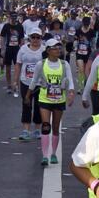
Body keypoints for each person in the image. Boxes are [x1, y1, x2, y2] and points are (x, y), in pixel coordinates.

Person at [30, 38, 75, 166]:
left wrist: (71, 93)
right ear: (48, 50)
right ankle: (45, 156)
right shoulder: (41, 64)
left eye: (59, 48)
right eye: (55, 48)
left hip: (59, 100)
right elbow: (34, 80)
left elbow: (70, 80)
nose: (58, 50)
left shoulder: (64, 64)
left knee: (55, 128)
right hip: (45, 99)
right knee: (46, 126)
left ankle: (53, 153)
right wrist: (28, 94)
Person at [15, 30, 47, 141]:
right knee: (26, 104)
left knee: (39, 106)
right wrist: (15, 81)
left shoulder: (44, 49)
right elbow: (18, 65)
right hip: (25, 81)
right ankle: (26, 130)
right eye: (33, 37)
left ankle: (37, 129)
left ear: (41, 38)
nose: (35, 40)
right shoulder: (23, 49)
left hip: (40, 83)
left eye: (38, 37)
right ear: (29, 38)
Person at [0, 15, 24, 93]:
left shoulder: (20, 26)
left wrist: (22, 49)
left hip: (17, 48)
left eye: (14, 19)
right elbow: (2, 37)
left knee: (17, 68)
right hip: (8, 48)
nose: (13, 21)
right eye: (12, 19)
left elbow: (22, 39)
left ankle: (16, 84)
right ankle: (9, 85)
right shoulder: (6, 26)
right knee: (8, 68)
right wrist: (2, 49)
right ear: (9, 18)